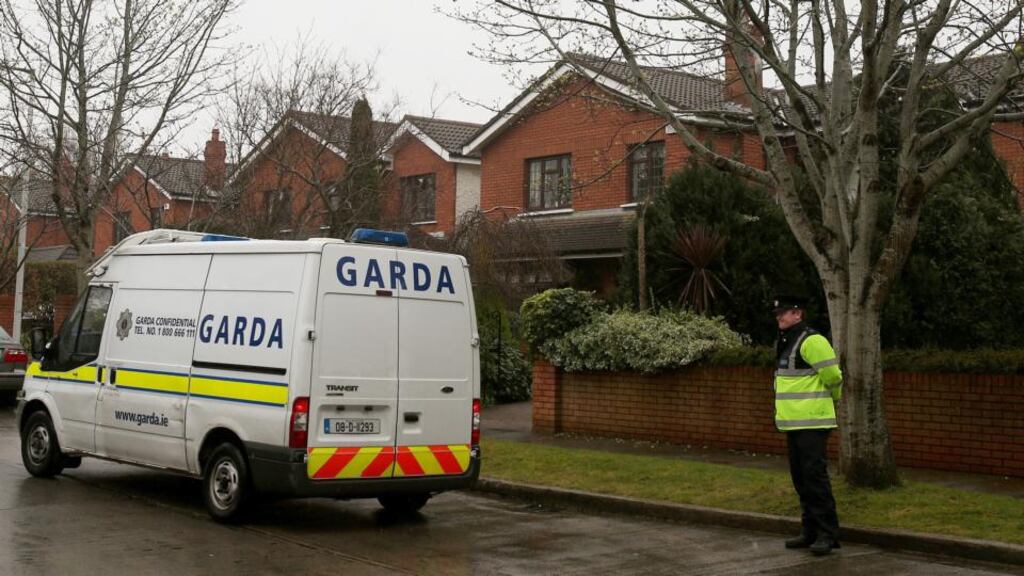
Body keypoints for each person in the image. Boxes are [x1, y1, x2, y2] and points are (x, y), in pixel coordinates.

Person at [773, 295, 842, 555]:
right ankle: (810, 531)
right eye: (778, 313)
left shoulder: (812, 341)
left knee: (815, 479)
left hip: (813, 422)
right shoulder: (786, 341)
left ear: (798, 314)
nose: (779, 317)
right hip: (793, 424)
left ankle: (827, 534)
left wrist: (832, 399)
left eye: (784, 313)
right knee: (801, 480)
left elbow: (834, 376)